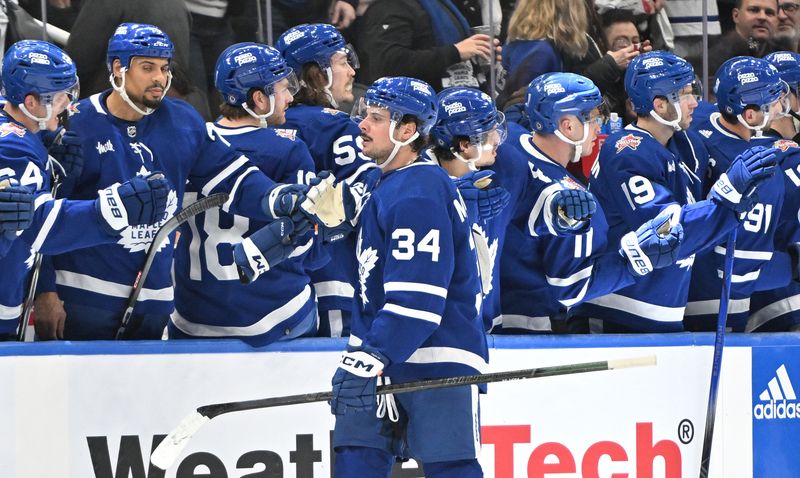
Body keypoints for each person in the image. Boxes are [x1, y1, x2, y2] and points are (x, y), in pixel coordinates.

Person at [33, 24, 327, 340]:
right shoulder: (76, 124)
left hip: (156, 302)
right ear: (118, 68)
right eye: (147, 67)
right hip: (82, 298)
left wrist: (278, 198)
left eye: (164, 67)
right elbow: (45, 217)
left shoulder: (183, 121)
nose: (159, 78)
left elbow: (235, 178)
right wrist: (43, 291)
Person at [330, 75, 486, 477]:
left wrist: (369, 358)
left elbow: (417, 302)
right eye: (365, 114)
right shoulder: (383, 183)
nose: (362, 124)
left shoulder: (418, 191)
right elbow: (367, 279)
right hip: (380, 349)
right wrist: (327, 234)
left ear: (407, 130)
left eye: (376, 118)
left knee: (450, 468)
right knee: (353, 460)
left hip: (436, 360)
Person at [571, 51, 779, 333]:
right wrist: (728, 196)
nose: (695, 102)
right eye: (684, 94)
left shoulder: (687, 145)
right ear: (659, 105)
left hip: (669, 306)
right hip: (619, 309)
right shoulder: (627, 151)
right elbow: (665, 231)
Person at [0, 39, 169, 339]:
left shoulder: (18, 128)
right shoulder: (12, 147)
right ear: (30, 103)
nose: (69, 102)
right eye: (61, 95)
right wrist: (112, 208)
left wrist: (45, 153)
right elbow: (36, 225)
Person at [498, 72, 685, 333]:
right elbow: (570, 287)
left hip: (489, 313)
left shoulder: (506, 143)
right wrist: (633, 260)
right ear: (567, 126)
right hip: (527, 327)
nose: (599, 127)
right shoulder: (575, 203)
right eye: (593, 118)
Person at [168, 42, 325, 345]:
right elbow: (307, 249)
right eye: (282, 87)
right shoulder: (288, 150)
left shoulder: (192, 143)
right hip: (278, 316)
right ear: (259, 99)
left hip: (193, 318)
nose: (290, 96)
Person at [277, 23, 381, 338]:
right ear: (316, 73)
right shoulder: (336, 128)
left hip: (278, 283)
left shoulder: (262, 130)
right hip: (333, 276)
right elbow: (371, 194)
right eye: (341, 61)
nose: (351, 71)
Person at [685, 55, 800, 331]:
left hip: (688, 287)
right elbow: (741, 267)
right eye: (775, 100)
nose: (780, 107)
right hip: (727, 301)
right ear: (751, 113)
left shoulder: (702, 120)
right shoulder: (764, 173)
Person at [426, 87, 514, 331]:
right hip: (438, 331)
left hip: (483, 328)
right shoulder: (420, 186)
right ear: (465, 145)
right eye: (488, 132)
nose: (497, 139)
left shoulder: (495, 176)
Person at [497, 0, 651, 124]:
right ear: (570, 8)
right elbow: (531, 107)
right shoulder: (541, 52)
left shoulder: (522, 43)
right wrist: (609, 65)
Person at [746, 51, 800, 331]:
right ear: (784, 98)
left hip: (754, 302)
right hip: (787, 302)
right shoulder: (786, 156)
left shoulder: (741, 151)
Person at [357, 0, 498, 91]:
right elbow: (388, 64)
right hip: (418, 117)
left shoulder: (445, 4)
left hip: (459, 107)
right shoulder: (390, 5)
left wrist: (477, 60)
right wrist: (455, 52)